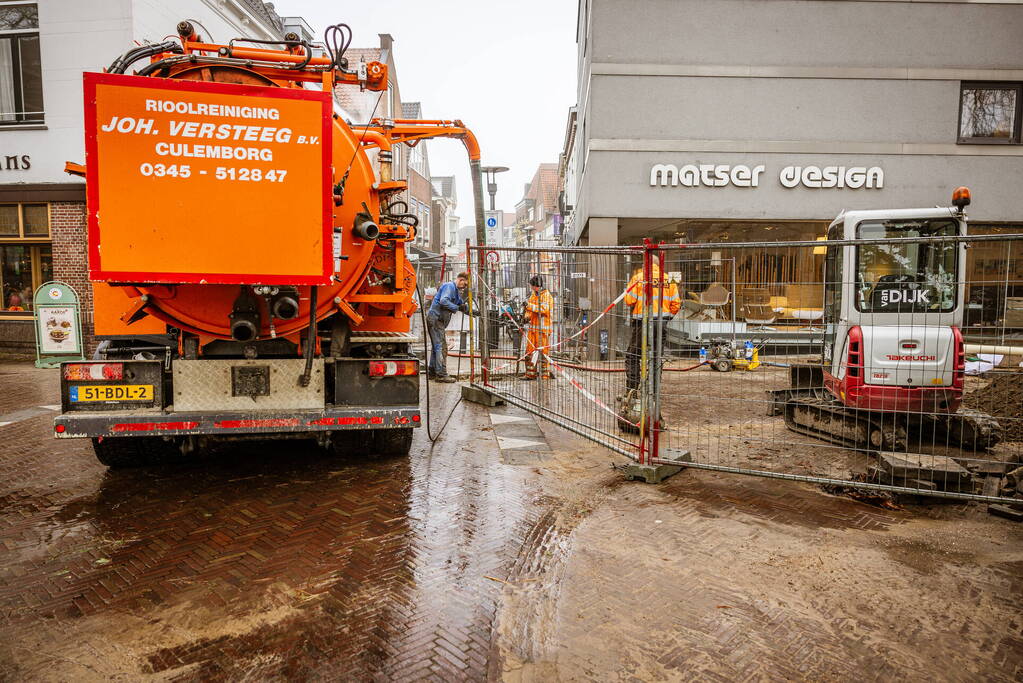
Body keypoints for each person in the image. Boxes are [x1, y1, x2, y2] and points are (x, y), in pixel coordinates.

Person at [622, 263, 681, 394]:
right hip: (660, 323)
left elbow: (629, 300)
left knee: (633, 355)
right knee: (656, 357)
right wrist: (666, 318)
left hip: (641, 322)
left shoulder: (638, 278)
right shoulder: (667, 279)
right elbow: (676, 303)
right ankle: (653, 391)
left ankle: (632, 390)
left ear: (644, 265)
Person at [426, 272, 468, 383]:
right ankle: (441, 374)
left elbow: (460, 304)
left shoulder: (456, 291)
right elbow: (444, 301)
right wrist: (457, 307)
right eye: (465, 284)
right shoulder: (449, 286)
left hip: (436, 320)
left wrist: (469, 309)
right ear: (461, 280)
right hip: (435, 319)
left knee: (436, 346)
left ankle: (432, 371)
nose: (465, 287)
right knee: (441, 346)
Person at [523, 274, 554, 380]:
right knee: (529, 352)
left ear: (537, 286)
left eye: (532, 286)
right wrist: (526, 317)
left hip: (542, 331)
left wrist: (529, 306)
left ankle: (545, 375)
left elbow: (544, 309)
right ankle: (530, 374)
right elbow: (529, 311)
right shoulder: (533, 295)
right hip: (533, 329)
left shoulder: (547, 296)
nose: (531, 288)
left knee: (543, 354)